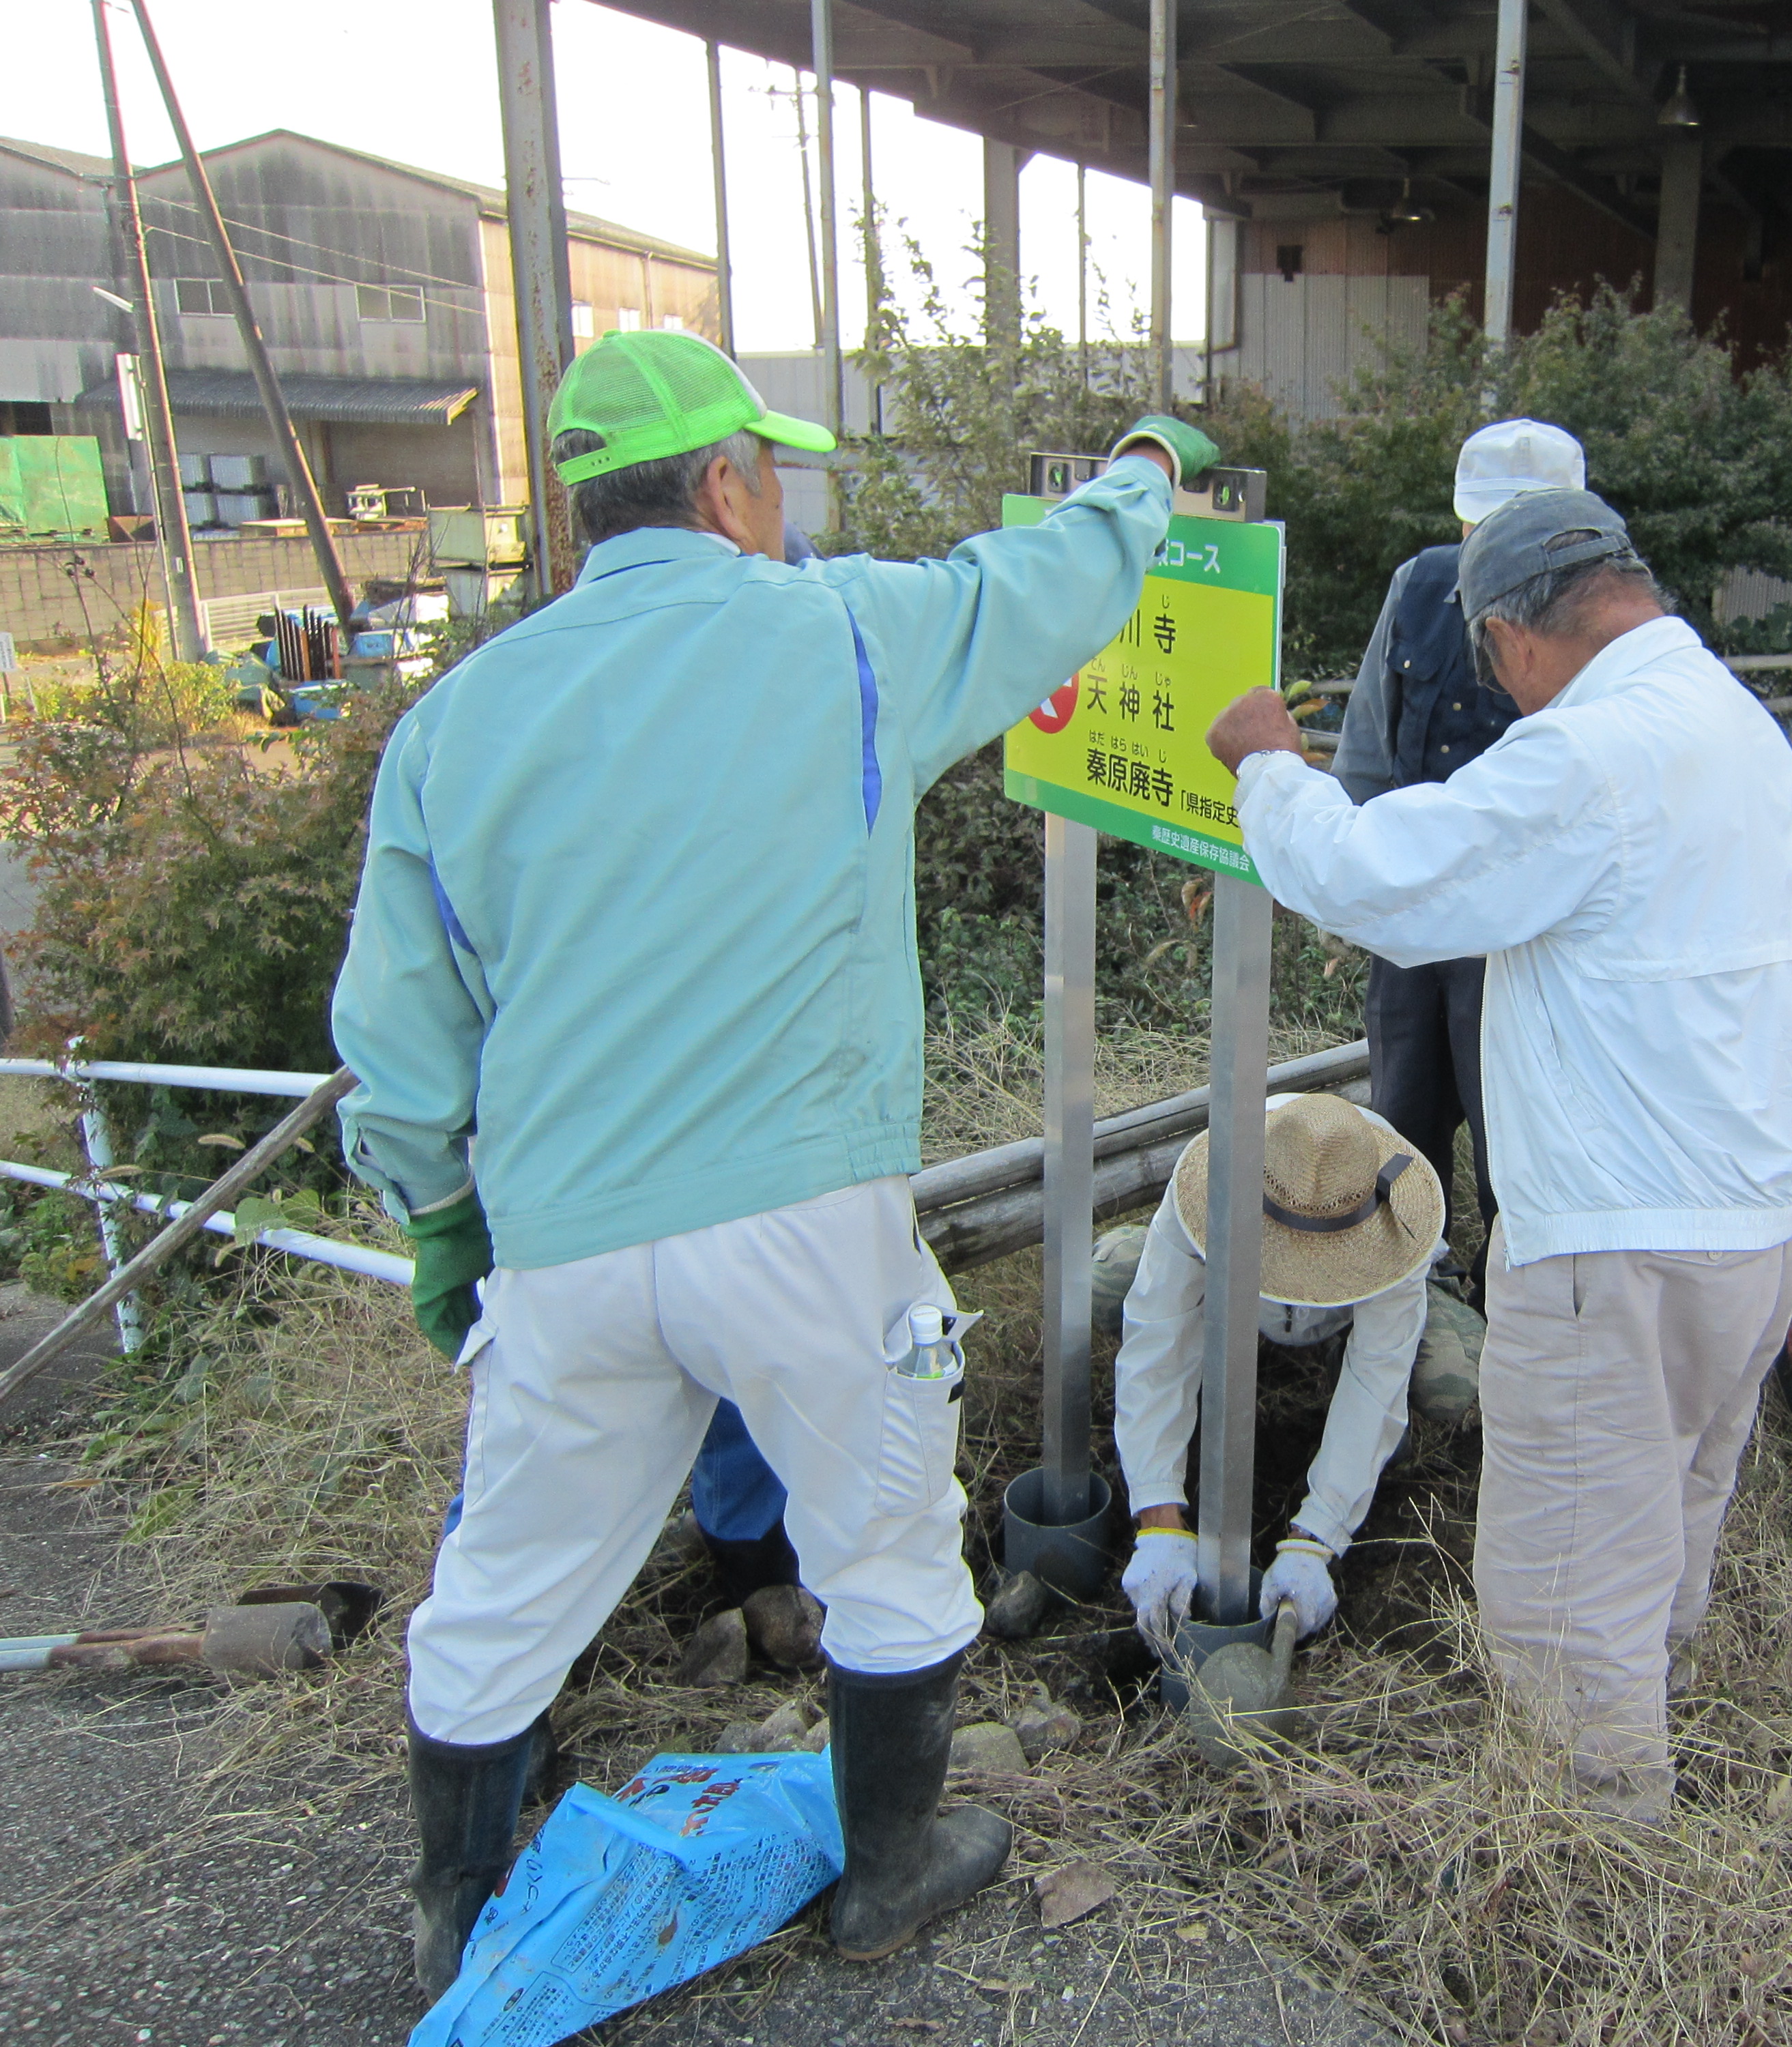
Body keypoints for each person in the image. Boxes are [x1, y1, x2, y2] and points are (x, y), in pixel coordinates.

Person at [330, 325, 1221, 1991]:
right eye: (777, 473)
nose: (788, 502)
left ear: (589, 511)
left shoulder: (452, 726)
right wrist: (1146, 477)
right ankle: (893, 1862)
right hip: (805, 1224)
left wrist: (440, 1216)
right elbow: (1043, 582)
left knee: (508, 1574)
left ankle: (454, 1904)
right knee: (885, 1541)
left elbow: (394, 1030)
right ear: (729, 484)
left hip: (567, 1235)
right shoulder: (847, 637)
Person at [1204, 489, 1792, 1821]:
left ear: (1507, 636)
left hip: (1628, 1237)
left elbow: (1380, 877)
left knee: (1564, 1585)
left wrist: (1268, 766)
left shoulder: (1590, 756)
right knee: (1665, 1508)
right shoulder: (1729, 722)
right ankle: (1639, 1729)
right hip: (1761, 1213)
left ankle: (1588, 1865)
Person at [1331, 420, 1587, 1263]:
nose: (1493, 544)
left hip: (1526, 931)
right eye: (1483, 525)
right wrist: (1348, 881)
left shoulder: (1595, 625)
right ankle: (1409, 1283)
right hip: (1412, 913)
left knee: (1516, 1125)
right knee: (1402, 1109)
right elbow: (1370, 740)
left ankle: (1517, 1295)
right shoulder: (1420, 588)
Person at [1115, 1094, 1445, 1653]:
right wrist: (1158, 1518)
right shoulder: (1203, 1189)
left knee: (1451, 1373)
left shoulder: (1399, 1218)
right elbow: (1158, 1341)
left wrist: (1317, 1537)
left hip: (1343, 1323)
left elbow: (1375, 1378)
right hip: (1239, 1310)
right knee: (1111, 1286)